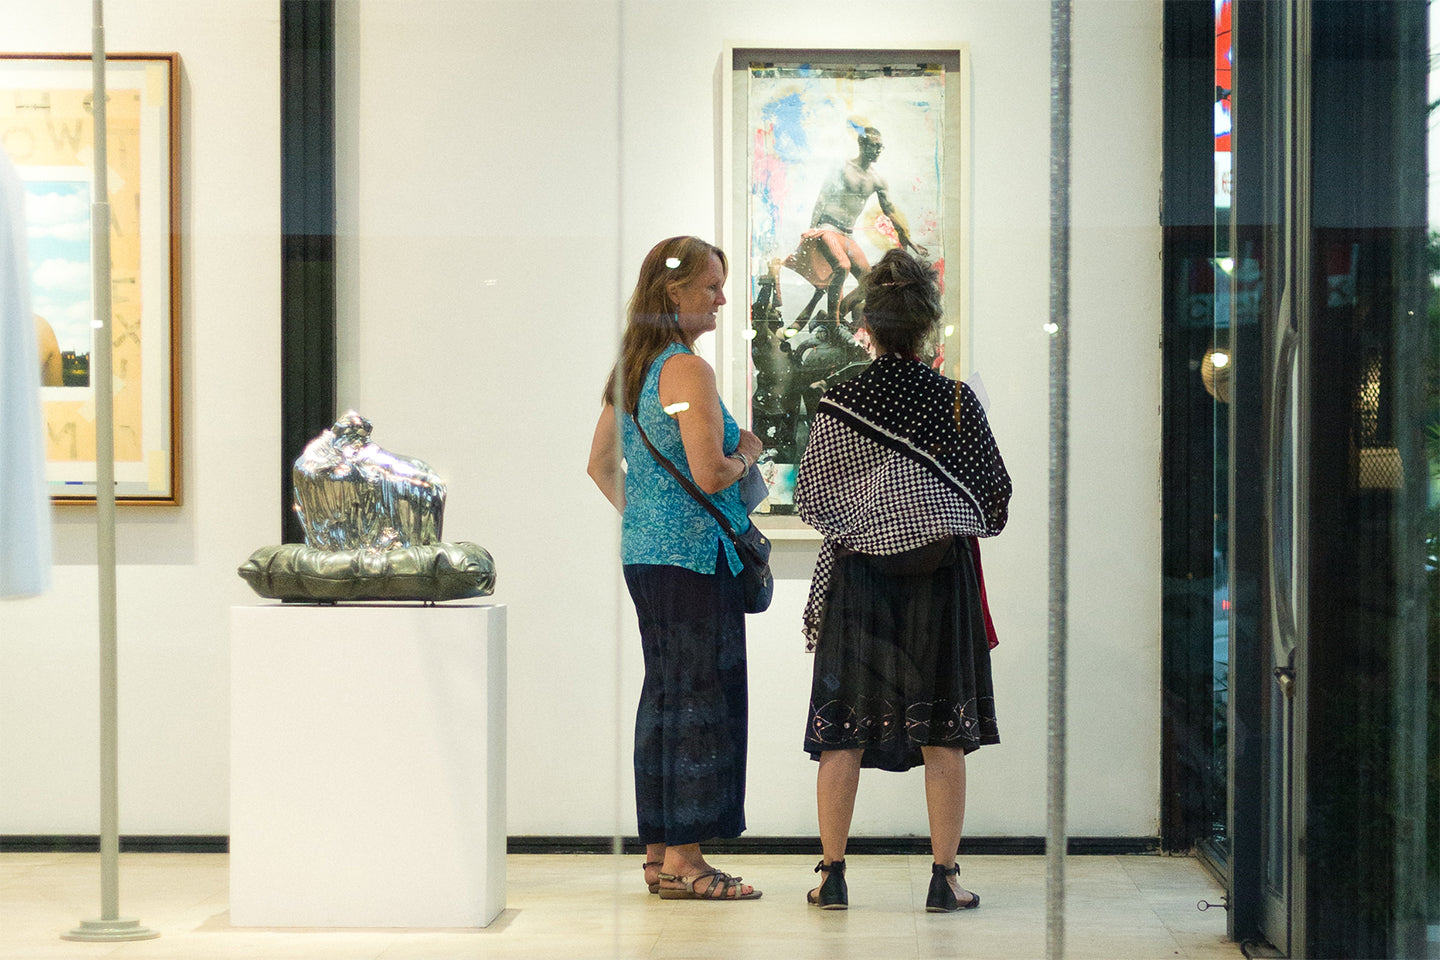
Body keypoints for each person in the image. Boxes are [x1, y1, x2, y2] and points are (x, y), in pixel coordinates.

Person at [793, 249, 1011, 913]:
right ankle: (944, 879)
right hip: (939, 582)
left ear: (869, 322)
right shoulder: (955, 402)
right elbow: (995, 499)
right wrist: (928, 510)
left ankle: (833, 877)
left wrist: (873, 521)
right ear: (927, 324)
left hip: (859, 583)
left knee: (842, 730)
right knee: (944, 733)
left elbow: (811, 500)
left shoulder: (840, 400)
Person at [587, 236, 765, 901]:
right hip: (695, 563)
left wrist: (648, 520)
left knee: (665, 695)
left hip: (648, 559)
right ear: (674, 291)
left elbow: (599, 466)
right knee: (700, 701)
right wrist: (748, 454)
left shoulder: (634, 369)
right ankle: (688, 861)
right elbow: (711, 471)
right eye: (711, 286)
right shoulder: (688, 370)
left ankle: (660, 852)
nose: (721, 298)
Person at [784, 123, 929, 330]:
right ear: (862, 144)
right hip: (827, 228)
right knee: (842, 266)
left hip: (847, 235)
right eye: (874, 145)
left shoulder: (877, 179)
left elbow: (889, 210)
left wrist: (908, 238)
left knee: (871, 283)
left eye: (880, 146)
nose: (878, 150)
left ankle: (829, 318)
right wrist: (812, 228)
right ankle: (834, 326)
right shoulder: (842, 167)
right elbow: (822, 197)